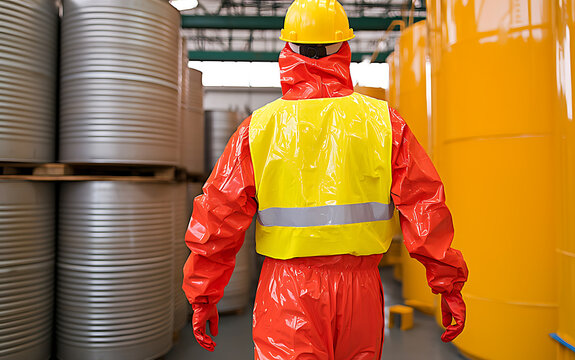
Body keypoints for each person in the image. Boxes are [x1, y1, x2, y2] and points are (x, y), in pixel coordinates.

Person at [182, 1, 468, 358]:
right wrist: (448, 284)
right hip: (360, 290)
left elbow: (216, 217)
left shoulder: (258, 129)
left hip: (286, 293)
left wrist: (203, 294)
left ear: (288, 49)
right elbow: (425, 205)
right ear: (344, 47)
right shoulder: (384, 123)